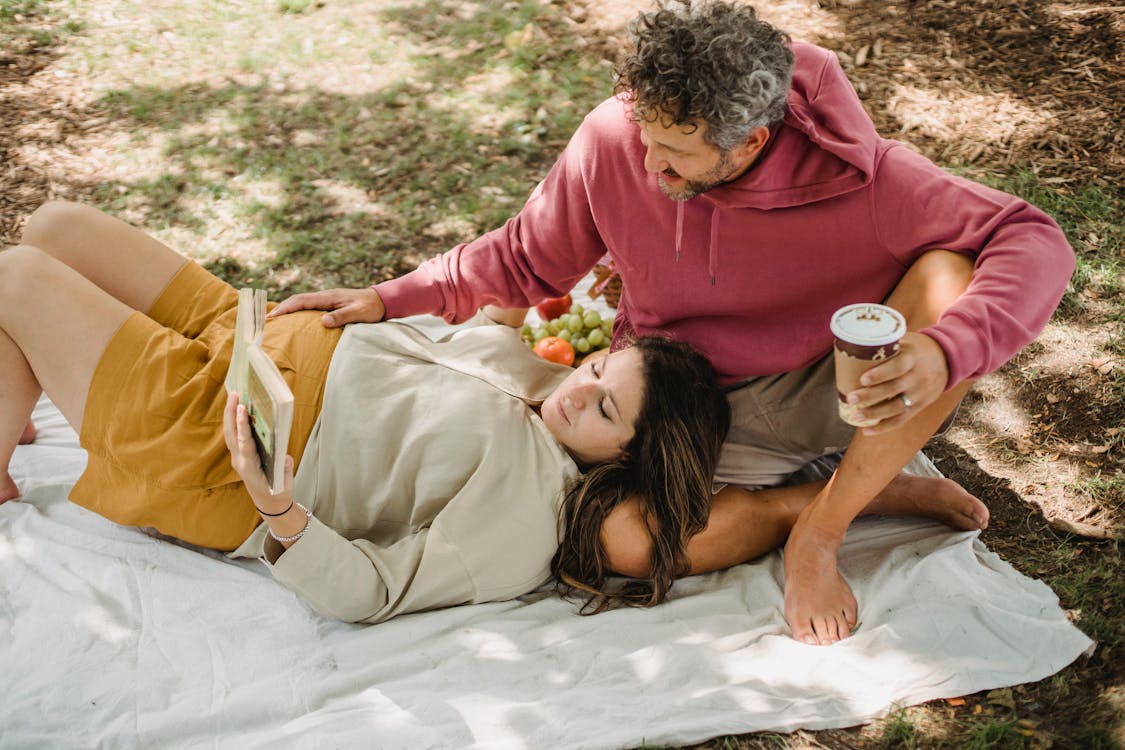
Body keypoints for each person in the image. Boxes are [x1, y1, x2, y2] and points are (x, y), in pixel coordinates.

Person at [264, 0, 1076, 644]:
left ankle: (820, 532)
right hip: (667, 392)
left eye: (673, 155)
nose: (647, 167)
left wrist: (946, 347)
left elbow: (1031, 237)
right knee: (625, 544)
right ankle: (865, 490)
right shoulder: (620, 135)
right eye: (643, 137)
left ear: (750, 141)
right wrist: (391, 296)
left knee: (949, 279)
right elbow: (524, 257)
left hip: (810, 389)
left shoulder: (873, 180)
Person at [1, 201, 735, 624]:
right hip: (243, 331)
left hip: (215, 439)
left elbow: (374, 593)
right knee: (52, 227)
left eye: (605, 408)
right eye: (600, 369)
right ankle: (15, 401)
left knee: (15, 278)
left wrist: (279, 511)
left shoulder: (523, 519)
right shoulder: (544, 385)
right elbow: (494, 311)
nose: (580, 389)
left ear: (626, 456)